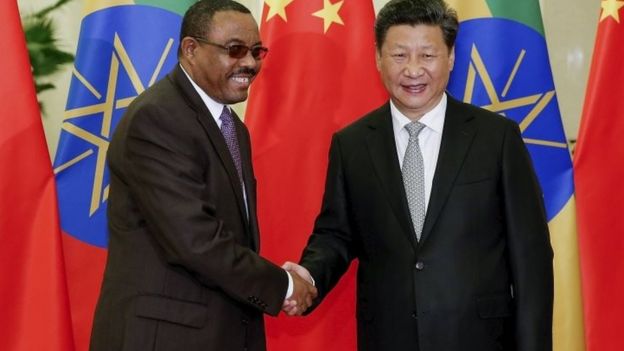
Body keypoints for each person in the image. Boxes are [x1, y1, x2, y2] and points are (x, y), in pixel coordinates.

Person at [282, 0, 553, 350]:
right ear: (378, 58)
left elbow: (530, 258)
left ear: (451, 57)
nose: (413, 70)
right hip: (388, 337)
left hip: (480, 338)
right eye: (399, 56)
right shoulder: (352, 144)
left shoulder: (496, 138)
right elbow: (336, 235)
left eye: (427, 55)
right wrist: (308, 275)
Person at [89, 1, 316, 350]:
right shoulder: (157, 118)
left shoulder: (232, 127)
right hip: (165, 338)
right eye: (235, 50)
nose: (250, 63)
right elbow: (195, 241)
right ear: (190, 49)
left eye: (257, 51)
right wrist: (283, 286)